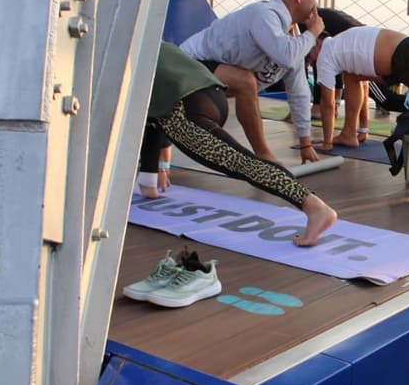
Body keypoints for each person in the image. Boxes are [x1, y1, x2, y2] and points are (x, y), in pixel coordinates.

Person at [137, 42, 337, 247]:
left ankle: (314, 206)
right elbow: (152, 114)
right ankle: (148, 181)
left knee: (241, 162)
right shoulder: (148, 39)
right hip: (212, 95)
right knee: (239, 159)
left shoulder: (113, 54)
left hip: (185, 110)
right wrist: (150, 176)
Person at [180, 0, 325, 165]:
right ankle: (262, 155)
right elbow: (287, 56)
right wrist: (314, 31)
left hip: (215, 81)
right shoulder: (264, 15)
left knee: (245, 83)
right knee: (245, 81)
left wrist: (305, 144)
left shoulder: (292, 39)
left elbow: (299, 92)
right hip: (190, 64)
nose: (316, 2)